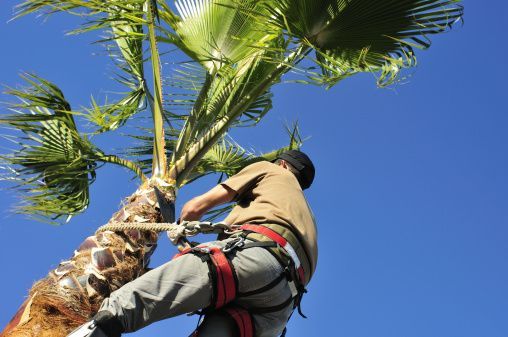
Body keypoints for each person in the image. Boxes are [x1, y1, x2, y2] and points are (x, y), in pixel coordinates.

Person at [69, 150, 317, 337]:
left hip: (253, 260)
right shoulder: (307, 217)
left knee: (128, 304)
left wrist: (181, 225)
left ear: (283, 164)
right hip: (279, 308)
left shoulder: (272, 171)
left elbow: (196, 207)